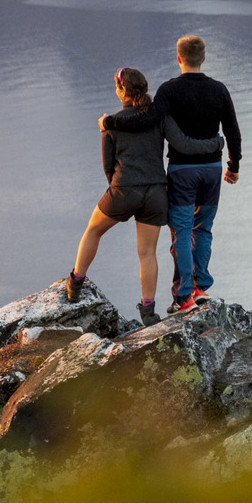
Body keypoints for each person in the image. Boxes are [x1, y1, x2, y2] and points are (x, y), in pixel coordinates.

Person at [114, 34, 241, 313]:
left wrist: (111, 122)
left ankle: (184, 296)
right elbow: (232, 130)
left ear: (178, 58)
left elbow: (149, 119)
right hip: (212, 170)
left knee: (181, 233)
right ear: (203, 58)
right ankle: (200, 287)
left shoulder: (169, 90)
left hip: (183, 171)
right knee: (203, 229)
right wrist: (233, 166)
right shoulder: (219, 89)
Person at [66, 67, 173, 326]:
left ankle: (75, 284)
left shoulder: (110, 123)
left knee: (93, 230)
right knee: (147, 253)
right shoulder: (155, 119)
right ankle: (148, 312)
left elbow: (107, 166)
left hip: (124, 189)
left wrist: (119, 194)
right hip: (156, 191)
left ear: (120, 89)